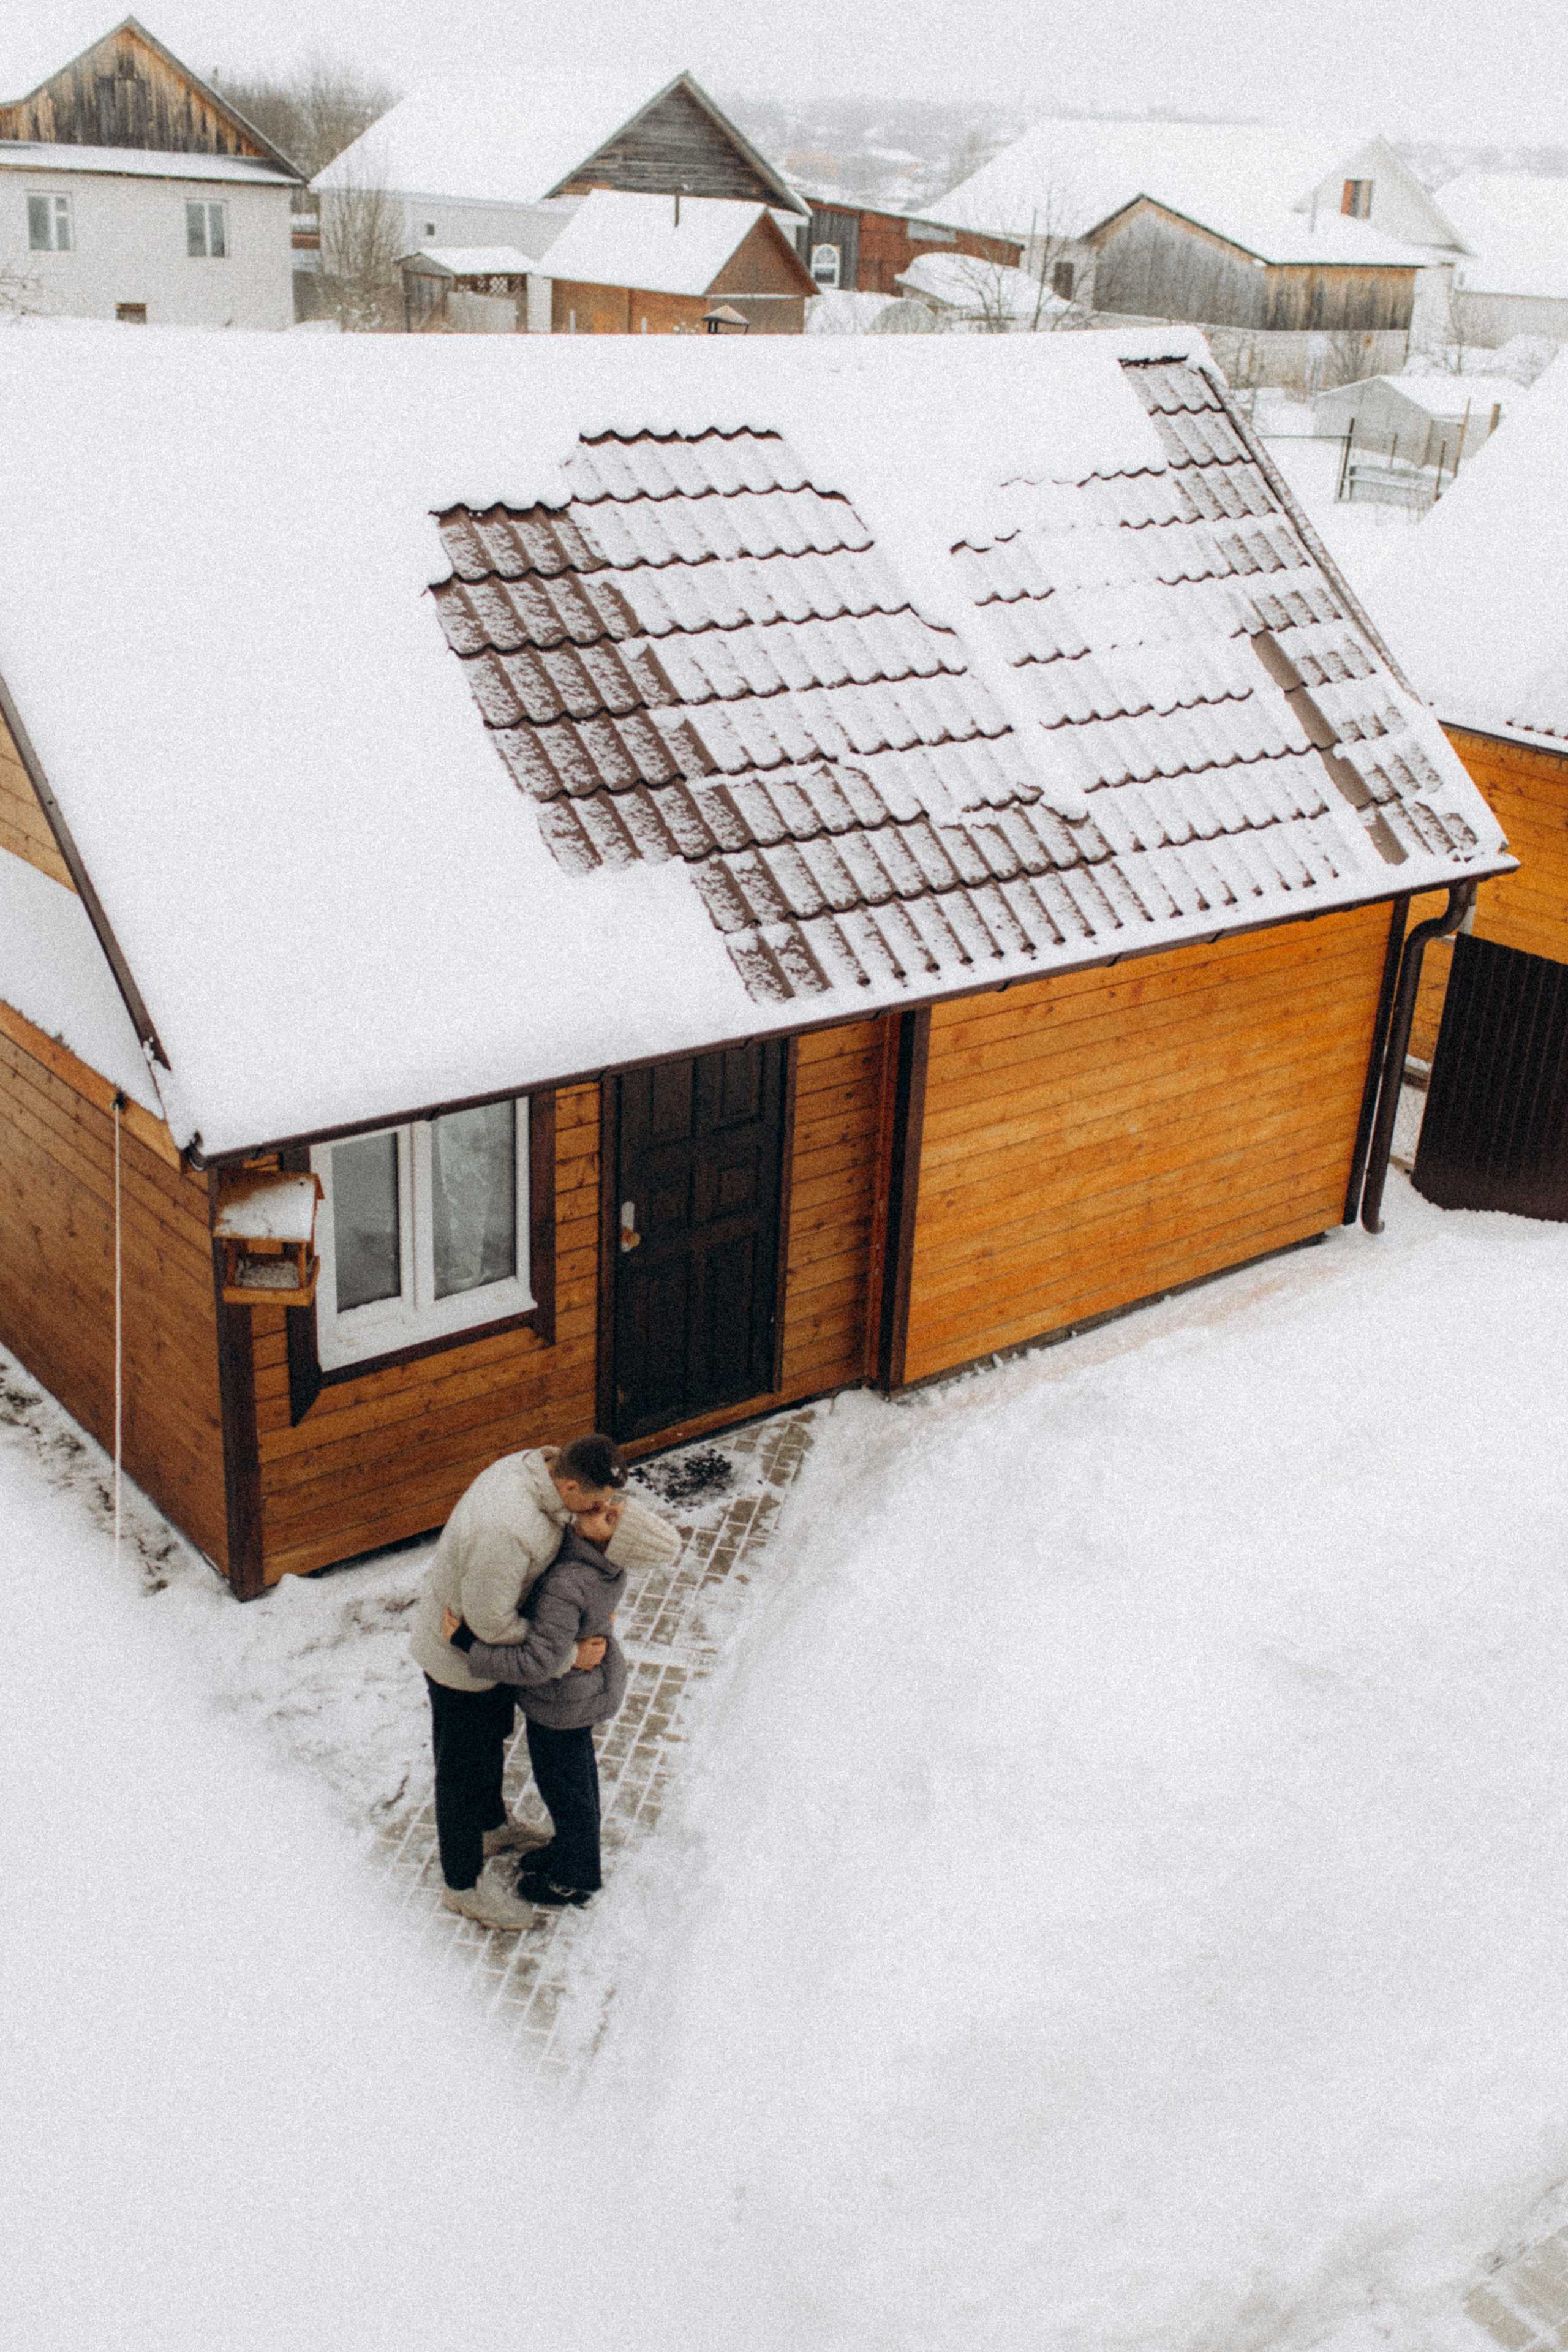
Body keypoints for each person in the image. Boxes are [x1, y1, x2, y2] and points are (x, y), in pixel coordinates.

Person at [409, 1434, 680, 1931]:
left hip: (496, 1659)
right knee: (461, 1771)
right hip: (462, 1656)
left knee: (491, 1742)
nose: (603, 1509)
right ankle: (462, 1886)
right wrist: (565, 1655)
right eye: (596, 1501)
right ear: (570, 1485)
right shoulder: (507, 1529)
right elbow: (489, 1627)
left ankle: (491, 1828)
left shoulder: (544, 1474)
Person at [443, 1494, 626, 1910]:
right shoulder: (601, 1569)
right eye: (609, 1503)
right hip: (575, 1698)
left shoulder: (569, 1583)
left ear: (612, 1545)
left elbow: (534, 1663)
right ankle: (571, 1853)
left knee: (568, 1792)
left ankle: (574, 1878)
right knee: (575, 1785)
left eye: (610, 1518)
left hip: (561, 1704)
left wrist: (468, 1645)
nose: (600, 1507)